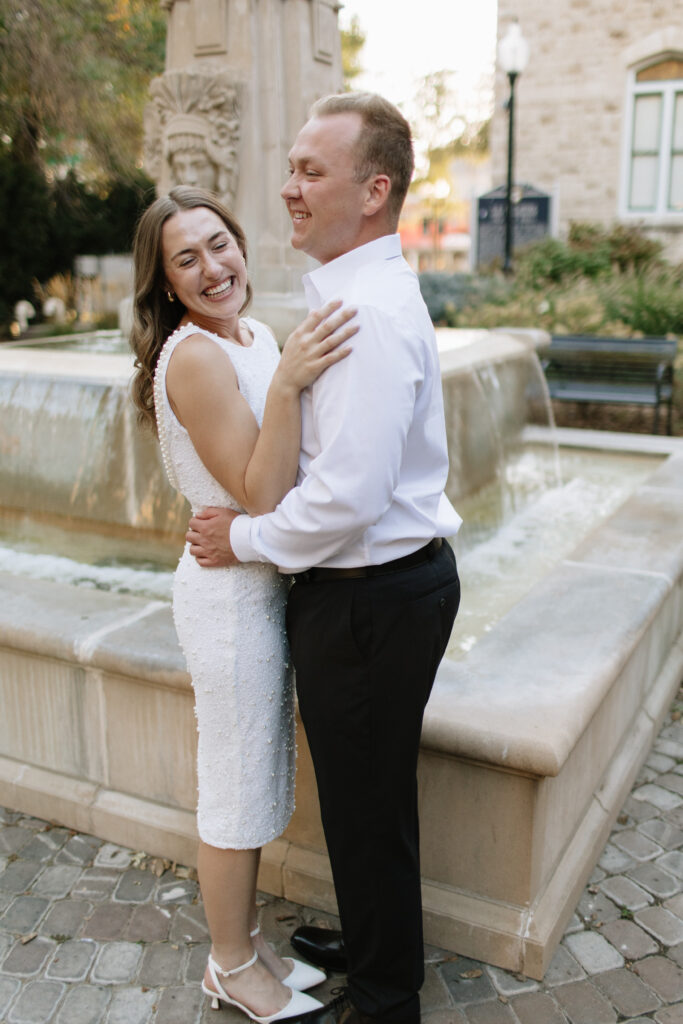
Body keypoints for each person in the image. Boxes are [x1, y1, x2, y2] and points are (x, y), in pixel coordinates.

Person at [187, 93, 462, 1024]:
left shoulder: (367, 315)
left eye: (312, 171)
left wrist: (244, 539)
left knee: (365, 804)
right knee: (363, 799)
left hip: (370, 596)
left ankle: (385, 995)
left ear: (373, 191)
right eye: (292, 166)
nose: (288, 188)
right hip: (377, 592)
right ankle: (377, 934)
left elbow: (345, 501)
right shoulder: (352, 294)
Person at [129, 184, 359, 1023]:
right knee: (233, 784)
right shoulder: (194, 356)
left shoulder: (253, 334)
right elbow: (261, 492)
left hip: (266, 584)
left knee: (259, 775)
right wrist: (293, 381)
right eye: (185, 259)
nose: (212, 267)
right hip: (229, 598)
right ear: (164, 284)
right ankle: (227, 963)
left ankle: (251, 943)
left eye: (218, 244)